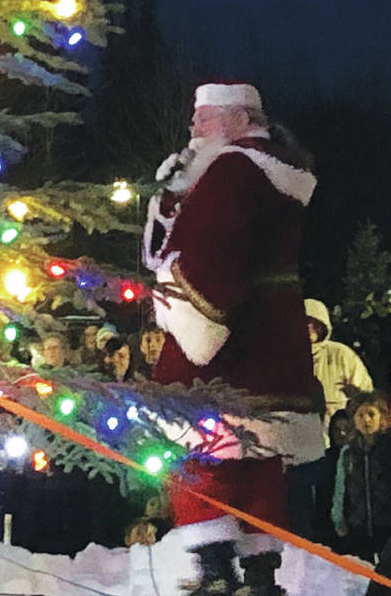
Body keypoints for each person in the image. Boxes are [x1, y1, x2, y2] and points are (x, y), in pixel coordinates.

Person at [142, 81, 324, 595]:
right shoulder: (278, 174)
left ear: (240, 120)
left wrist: (190, 313)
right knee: (262, 459)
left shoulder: (232, 168)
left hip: (229, 341)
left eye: (203, 119)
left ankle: (218, 575)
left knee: (205, 452)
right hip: (275, 333)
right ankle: (261, 577)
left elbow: (207, 251)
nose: (193, 128)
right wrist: (173, 197)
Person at [330, 392, 391, 560]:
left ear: (382, 417)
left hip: (387, 522)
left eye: (371, 414)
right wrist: (338, 517)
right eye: (360, 415)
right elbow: (341, 486)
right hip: (358, 522)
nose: (366, 420)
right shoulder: (349, 451)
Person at [305, 299, 374, 423]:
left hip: (337, 428)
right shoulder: (286, 358)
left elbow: (365, 393)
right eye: (306, 322)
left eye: (316, 323)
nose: (310, 327)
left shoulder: (341, 354)